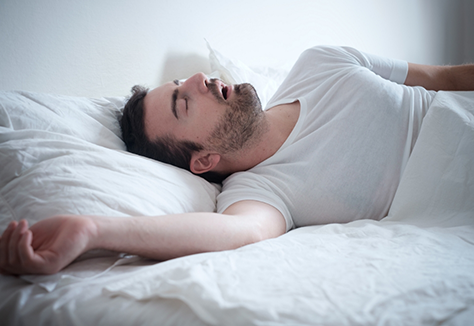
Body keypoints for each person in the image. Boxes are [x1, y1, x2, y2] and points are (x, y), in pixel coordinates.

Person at [1, 46, 473, 275]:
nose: (201, 79)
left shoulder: (322, 63)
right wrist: (93, 231)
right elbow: (234, 234)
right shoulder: (259, 193)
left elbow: (444, 76)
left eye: (186, 82)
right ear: (204, 160)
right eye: (183, 103)